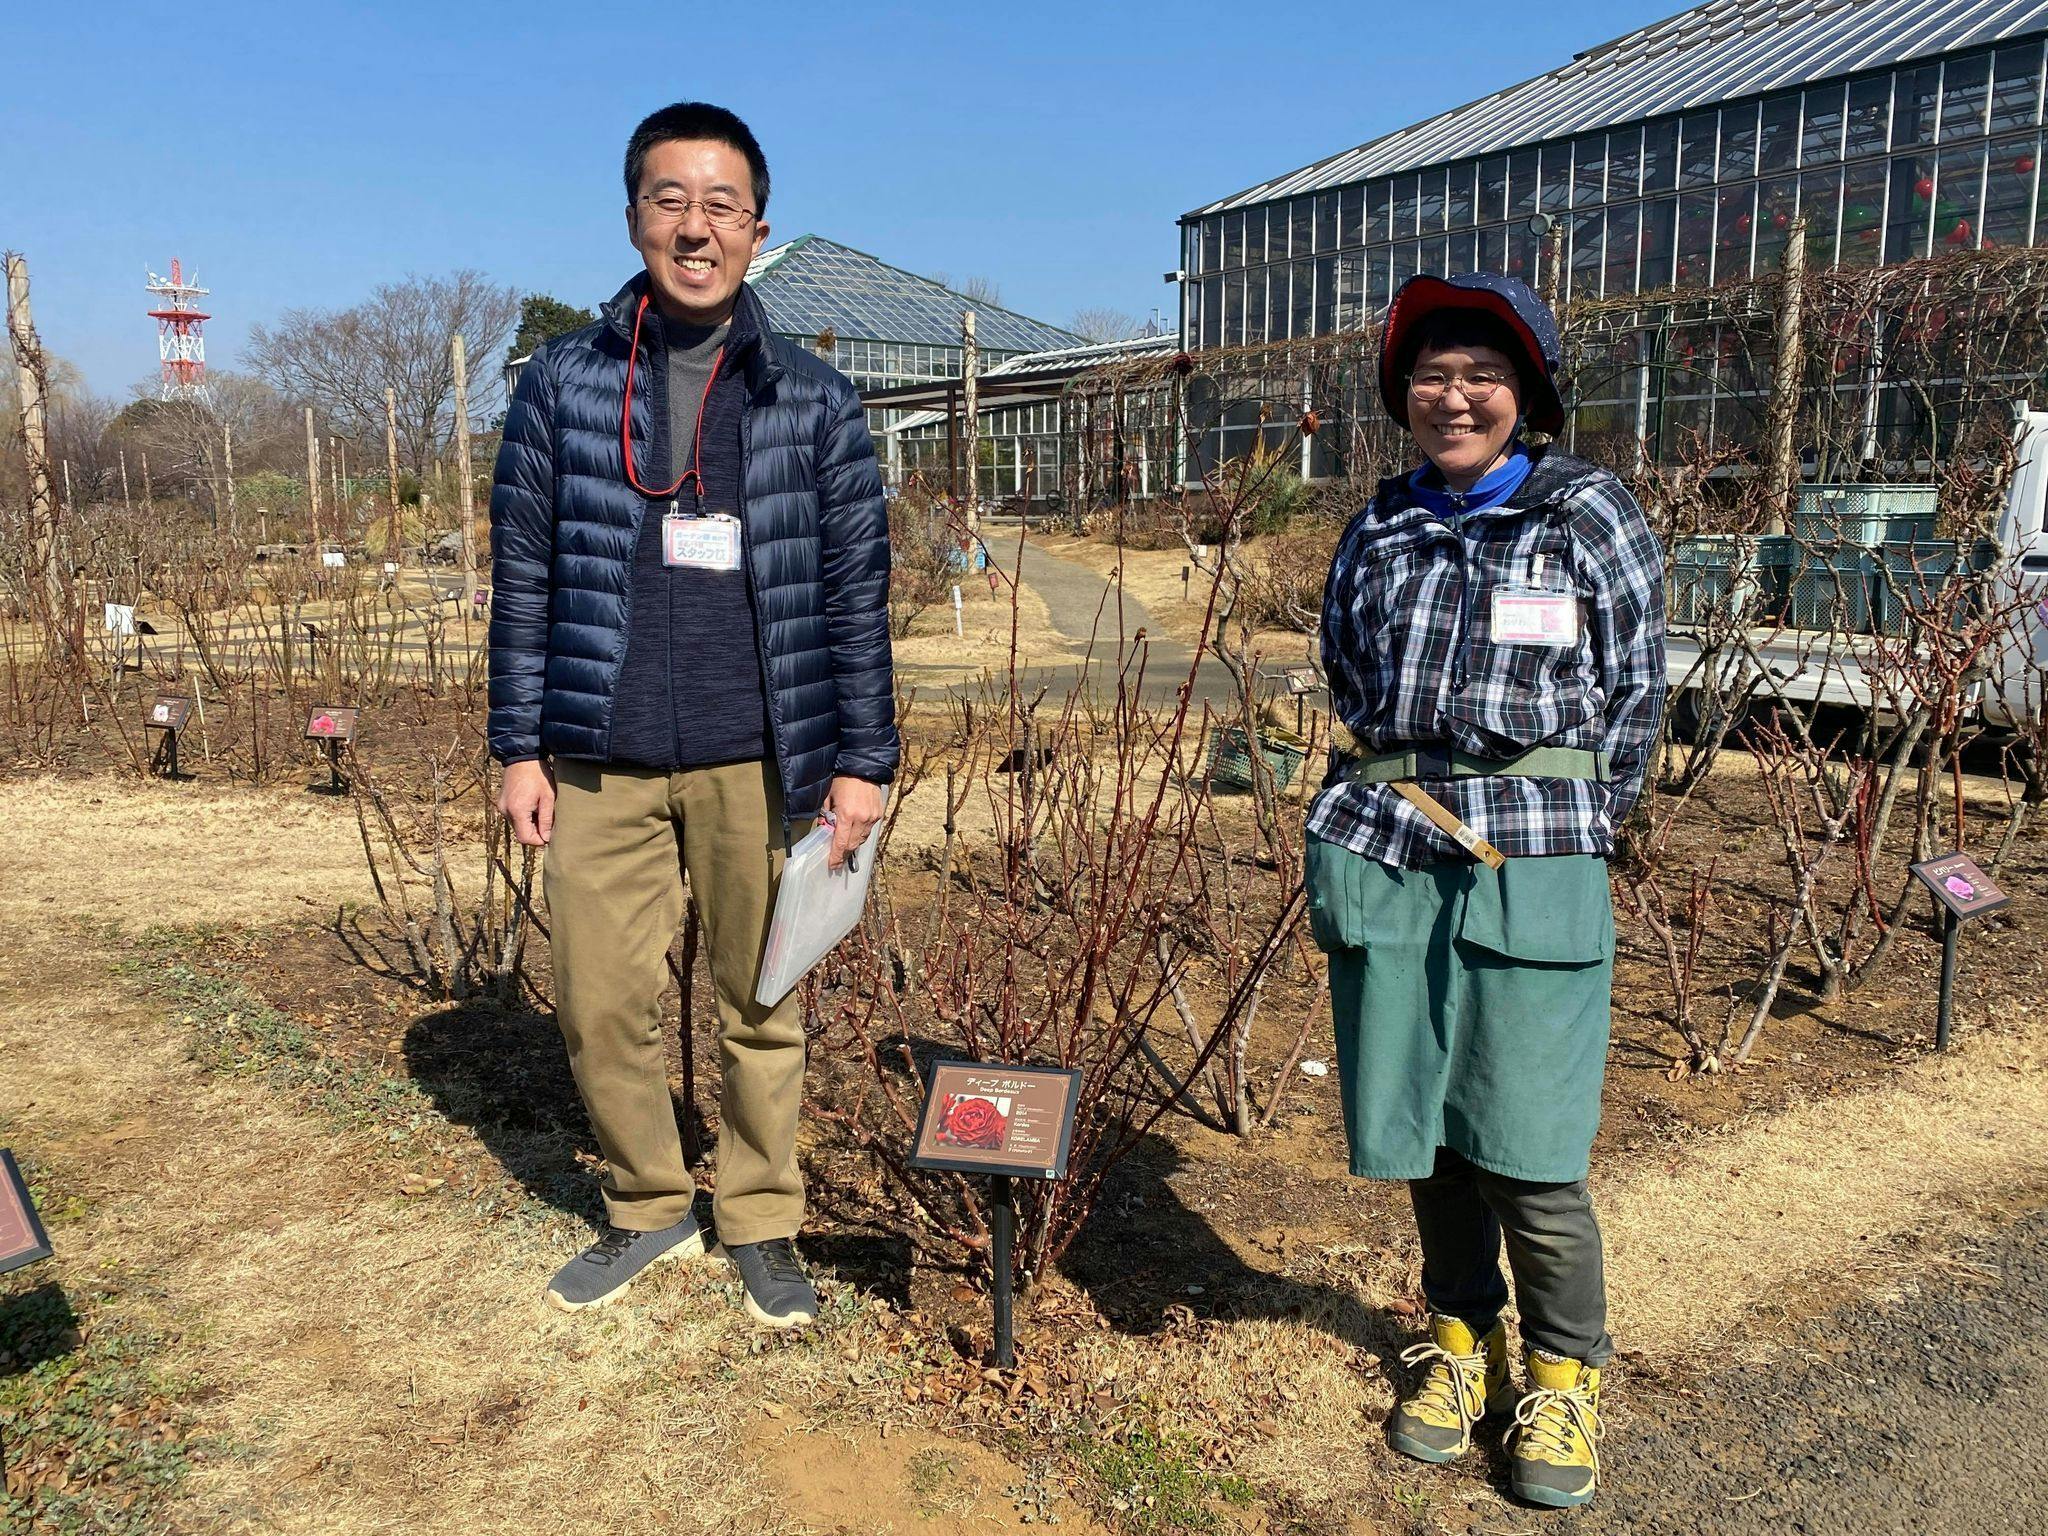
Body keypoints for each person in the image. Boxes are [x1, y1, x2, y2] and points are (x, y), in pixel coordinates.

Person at [488, 102, 897, 1327]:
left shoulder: (811, 398)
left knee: (762, 1003)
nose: (695, 226)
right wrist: (517, 744)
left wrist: (863, 762)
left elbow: (854, 591)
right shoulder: (562, 383)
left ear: (757, 230)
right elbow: (522, 571)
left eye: (722, 205)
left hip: (759, 759)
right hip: (596, 756)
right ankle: (648, 1204)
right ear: (632, 218)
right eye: (670, 199)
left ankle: (761, 1219)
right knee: (597, 1000)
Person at [1308, 272, 1664, 1507]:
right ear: (1399, 393)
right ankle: (1461, 1341)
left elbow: (1635, 688)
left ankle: (1564, 1375)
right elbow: (1344, 664)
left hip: (1535, 854)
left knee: (1530, 1150)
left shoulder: (1583, 514)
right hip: (1392, 844)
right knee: (1428, 1135)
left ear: (1527, 394)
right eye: (1429, 374)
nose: (1451, 397)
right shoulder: (1379, 523)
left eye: (1480, 375)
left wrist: (1579, 820)